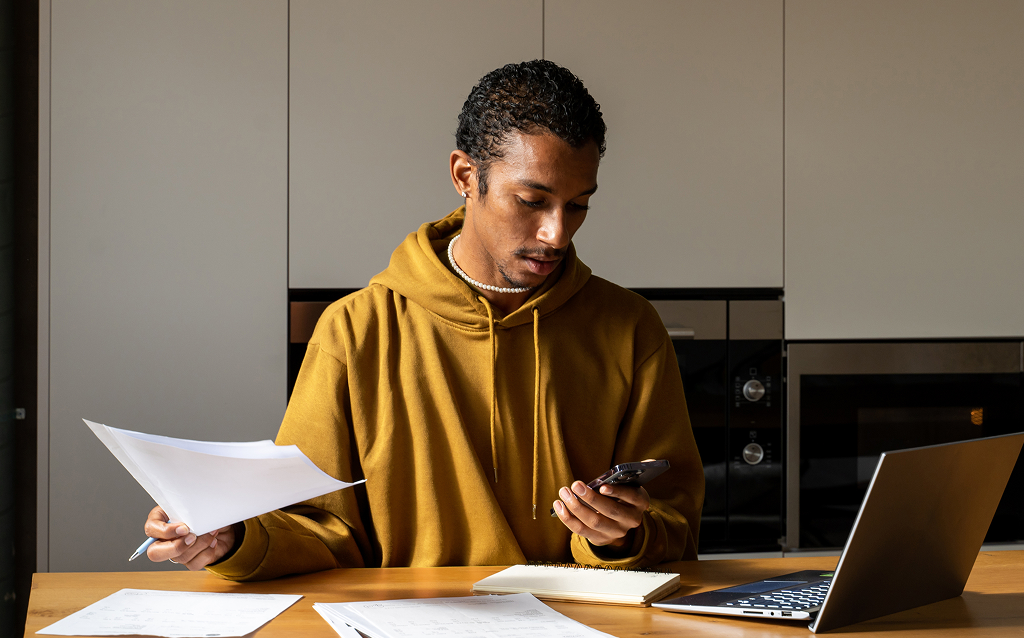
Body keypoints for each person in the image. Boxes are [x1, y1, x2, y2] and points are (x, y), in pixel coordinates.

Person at [143, 60, 705, 580]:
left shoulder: (631, 328)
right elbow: (317, 527)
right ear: (465, 175)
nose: (557, 233)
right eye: (532, 201)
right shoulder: (355, 331)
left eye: (578, 205)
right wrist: (231, 537)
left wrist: (617, 539)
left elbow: (675, 526)